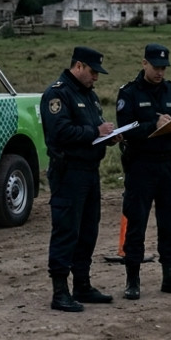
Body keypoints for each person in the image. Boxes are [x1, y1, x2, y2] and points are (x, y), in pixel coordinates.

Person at [41, 46, 118, 313]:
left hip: (89, 171)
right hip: (68, 172)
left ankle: (82, 285)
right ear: (79, 66)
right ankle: (60, 291)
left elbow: (95, 127)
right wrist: (94, 131)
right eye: (93, 72)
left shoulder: (89, 95)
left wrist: (109, 135)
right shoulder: (58, 94)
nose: (96, 78)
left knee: (88, 230)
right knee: (66, 229)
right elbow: (60, 131)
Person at [115, 43, 171, 300]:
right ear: (144, 63)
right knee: (136, 222)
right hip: (141, 166)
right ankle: (132, 279)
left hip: (168, 166)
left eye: (163, 68)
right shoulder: (129, 93)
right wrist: (153, 124)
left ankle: (170, 276)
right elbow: (125, 129)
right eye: (155, 67)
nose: (159, 72)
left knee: (169, 222)